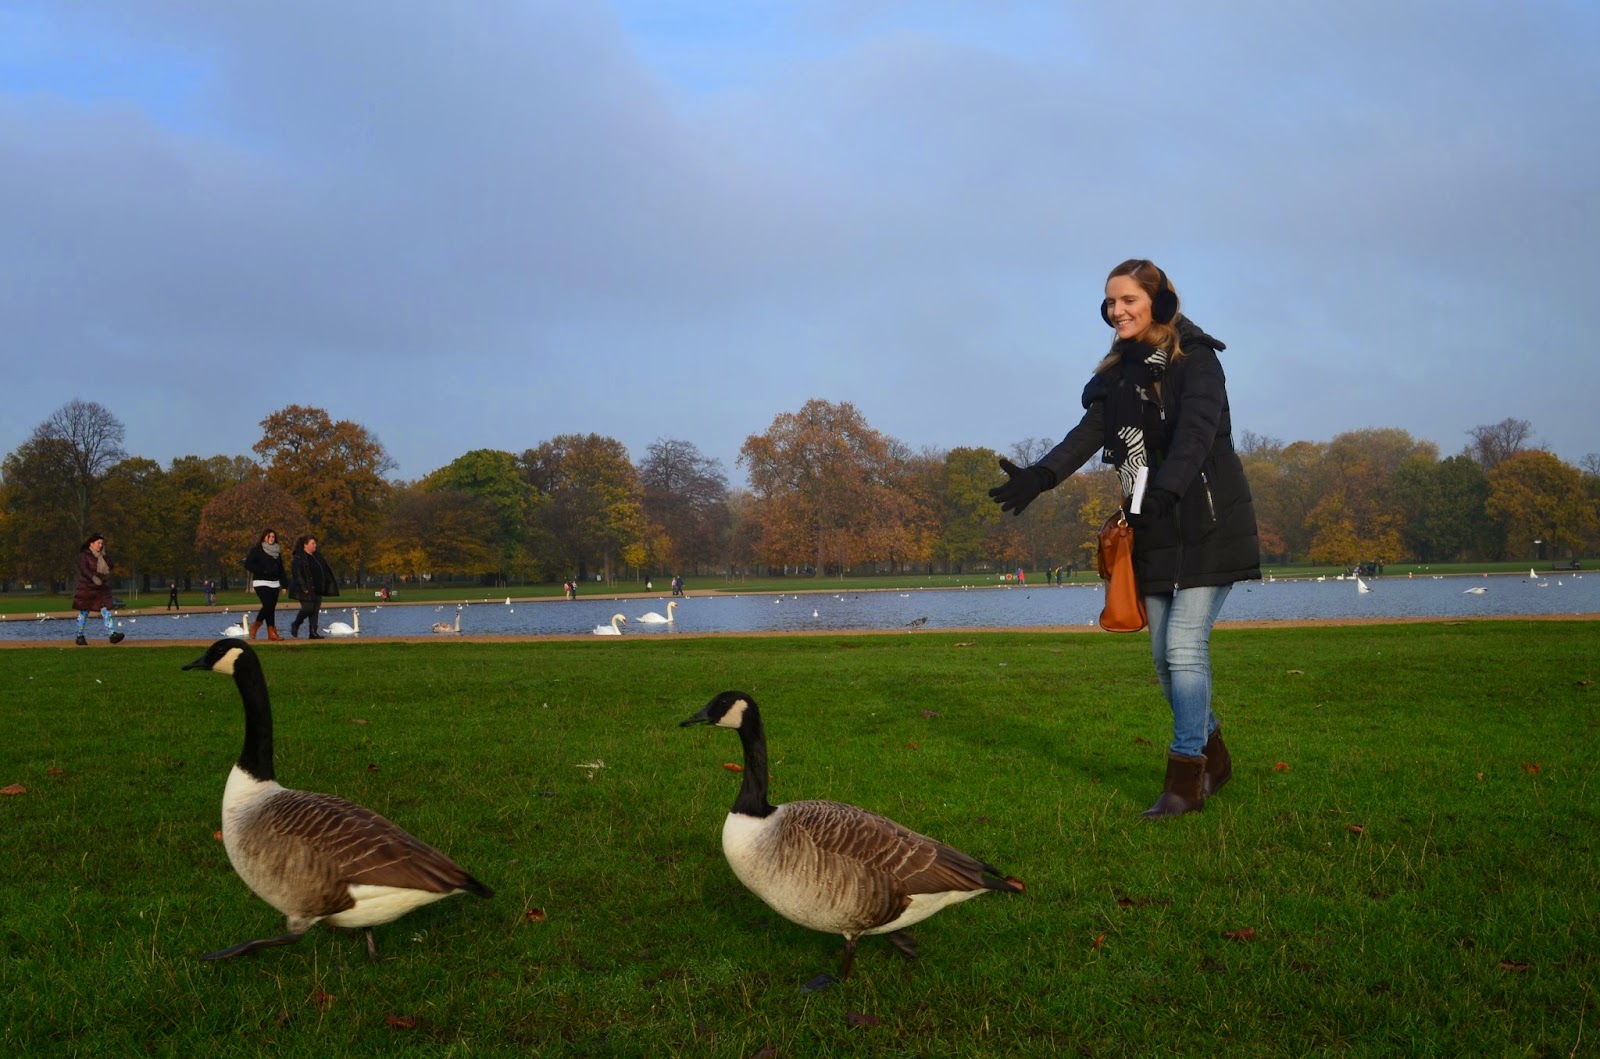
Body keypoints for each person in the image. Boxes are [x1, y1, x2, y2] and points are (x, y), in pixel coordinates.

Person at [988, 258, 1260, 820]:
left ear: (1159, 303)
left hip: (1208, 523)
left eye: (1128, 300)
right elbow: (1088, 434)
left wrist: (1163, 491)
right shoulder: (1116, 374)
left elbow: (1194, 437)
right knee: (1164, 660)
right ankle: (1214, 752)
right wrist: (1039, 477)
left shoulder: (1199, 360)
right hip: (1152, 525)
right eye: (1110, 302)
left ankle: (1185, 779)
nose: (1117, 311)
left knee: (1185, 649)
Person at [71, 533, 125, 645]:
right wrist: (93, 577)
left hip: (101, 589)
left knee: (105, 611)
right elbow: (83, 569)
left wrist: (105, 556)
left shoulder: (102, 555)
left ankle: (112, 634)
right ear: (91, 543)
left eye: (102, 543)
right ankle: (79, 636)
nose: (100, 545)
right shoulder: (84, 555)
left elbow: (111, 566)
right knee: (84, 612)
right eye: (98, 543)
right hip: (87, 588)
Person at [288, 535, 338, 638]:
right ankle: (296, 623)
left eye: (315, 543)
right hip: (305, 588)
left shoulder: (317, 556)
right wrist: (304, 587)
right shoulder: (299, 557)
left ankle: (313, 632)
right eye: (312, 543)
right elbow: (297, 573)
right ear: (305, 545)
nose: (315, 545)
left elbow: (324, 570)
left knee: (315, 610)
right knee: (308, 608)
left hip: (317, 587)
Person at [242, 529, 286, 641]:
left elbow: (281, 569)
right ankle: (256, 626)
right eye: (269, 536)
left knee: (271, 608)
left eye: (273, 536)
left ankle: (271, 633)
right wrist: (262, 571)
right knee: (268, 606)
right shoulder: (257, 550)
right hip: (261, 582)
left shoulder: (277, 551)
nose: (271, 538)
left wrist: (284, 584)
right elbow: (247, 564)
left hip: (274, 583)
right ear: (264, 537)